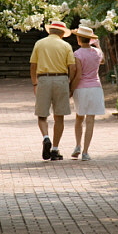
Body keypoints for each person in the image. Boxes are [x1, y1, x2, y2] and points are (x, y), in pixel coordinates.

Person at [30, 20, 76, 161]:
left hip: (44, 79)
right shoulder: (66, 45)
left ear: (50, 31)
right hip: (61, 79)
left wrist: (35, 83)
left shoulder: (40, 43)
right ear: (62, 33)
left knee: (42, 115)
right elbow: (72, 68)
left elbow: (33, 65)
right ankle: (55, 150)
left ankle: (46, 138)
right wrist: (69, 83)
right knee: (59, 116)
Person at [70, 25, 105, 161]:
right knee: (90, 120)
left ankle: (77, 145)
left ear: (79, 39)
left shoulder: (77, 54)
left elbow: (78, 75)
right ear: (90, 39)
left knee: (79, 118)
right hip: (95, 87)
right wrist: (98, 45)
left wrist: (71, 89)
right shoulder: (97, 52)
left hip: (81, 88)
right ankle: (85, 152)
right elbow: (102, 60)